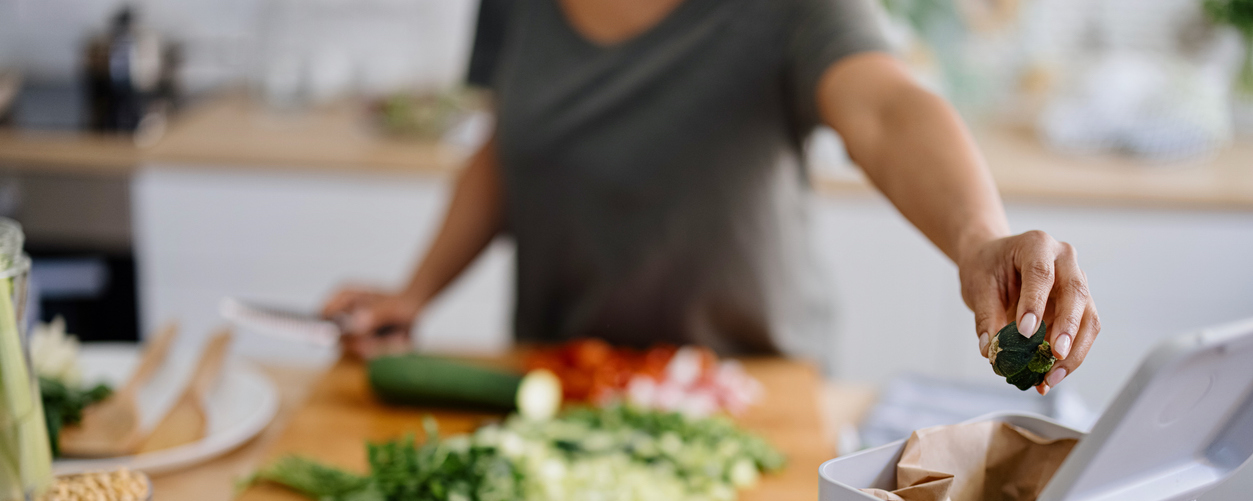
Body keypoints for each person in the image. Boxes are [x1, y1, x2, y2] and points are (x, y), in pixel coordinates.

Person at [324, 0, 1099, 394]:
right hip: (566, 383)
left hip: (745, 389)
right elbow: (509, 142)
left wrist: (977, 239)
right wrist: (415, 292)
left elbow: (886, 110)